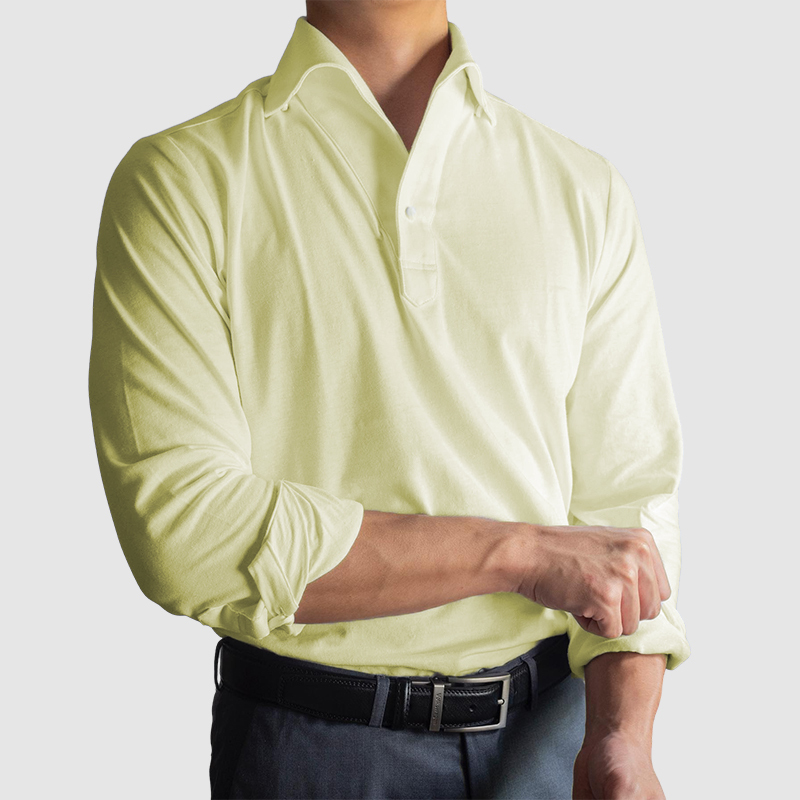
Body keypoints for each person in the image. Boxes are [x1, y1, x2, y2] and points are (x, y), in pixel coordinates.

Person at [88, 1, 690, 797]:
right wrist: (518, 555)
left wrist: (623, 737)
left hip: (556, 742)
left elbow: (630, 502)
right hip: (312, 751)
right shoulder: (179, 182)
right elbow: (185, 531)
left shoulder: (583, 188)